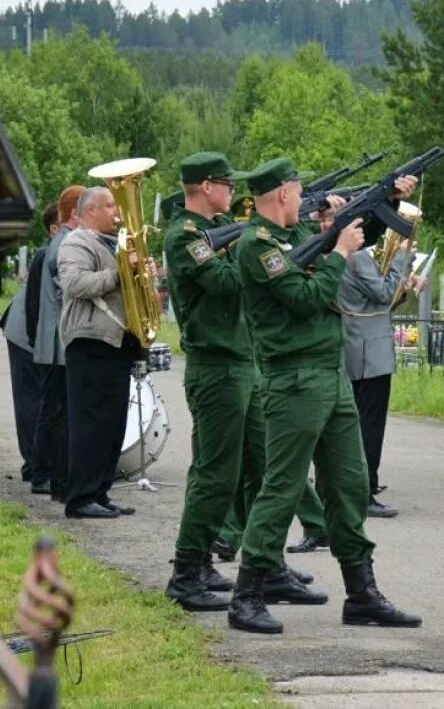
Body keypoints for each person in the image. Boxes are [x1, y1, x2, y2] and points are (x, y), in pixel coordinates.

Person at [229, 157, 421, 635]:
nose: (304, 199)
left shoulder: (293, 238)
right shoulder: (257, 247)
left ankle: (361, 593)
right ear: (280, 195)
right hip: (293, 379)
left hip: (328, 375)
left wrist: (384, 203)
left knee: (349, 484)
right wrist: (338, 250)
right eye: (298, 192)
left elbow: (358, 240)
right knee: (283, 486)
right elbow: (306, 297)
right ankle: (247, 593)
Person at [163, 152, 293, 611]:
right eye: (224, 183)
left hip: (241, 363)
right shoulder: (185, 238)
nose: (231, 192)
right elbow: (228, 283)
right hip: (217, 367)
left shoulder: (210, 234)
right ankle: (186, 571)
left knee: (261, 467)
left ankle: (265, 566)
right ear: (202, 186)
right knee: (216, 474)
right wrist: (256, 241)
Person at [57, 186, 143, 520]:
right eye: (109, 205)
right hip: (90, 341)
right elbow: (75, 284)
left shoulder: (111, 242)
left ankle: (100, 492)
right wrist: (121, 274)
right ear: (90, 209)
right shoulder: (77, 242)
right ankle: (80, 498)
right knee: (91, 423)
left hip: (115, 341)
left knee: (111, 423)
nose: (116, 211)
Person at [338, 238, 423, 518]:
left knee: (362, 422)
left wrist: (402, 280)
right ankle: (364, 489)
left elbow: (381, 301)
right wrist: (402, 255)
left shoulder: (353, 256)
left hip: (362, 346)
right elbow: (383, 295)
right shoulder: (359, 257)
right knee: (369, 425)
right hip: (367, 351)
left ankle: (362, 483)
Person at [0, 201, 58, 488]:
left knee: (41, 398)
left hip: (36, 330)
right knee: (31, 399)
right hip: (24, 331)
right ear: (54, 227)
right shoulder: (53, 250)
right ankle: (33, 465)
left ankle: (40, 462)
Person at [31, 185, 84, 503]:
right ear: (76, 212)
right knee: (56, 411)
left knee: (55, 410)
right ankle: (48, 475)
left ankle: (47, 474)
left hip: (56, 342)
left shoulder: (62, 240)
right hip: (57, 344)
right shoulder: (64, 242)